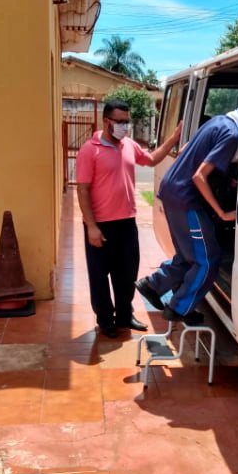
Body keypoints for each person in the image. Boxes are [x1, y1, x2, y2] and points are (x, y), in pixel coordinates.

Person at [135, 95, 238, 325]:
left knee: (190, 257)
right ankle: (179, 308)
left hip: (173, 192)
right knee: (208, 260)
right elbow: (199, 176)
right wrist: (222, 213)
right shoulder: (233, 134)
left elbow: (185, 151)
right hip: (186, 199)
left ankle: (153, 285)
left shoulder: (218, 121)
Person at [76, 99, 181, 338]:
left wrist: (173, 139)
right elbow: (82, 190)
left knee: (127, 273)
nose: (125, 126)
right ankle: (105, 320)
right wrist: (91, 226)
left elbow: (152, 159)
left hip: (127, 223)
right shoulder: (89, 150)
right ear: (106, 121)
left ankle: (124, 315)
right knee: (100, 276)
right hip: (100, 225)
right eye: (120, 122)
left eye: (127, 121)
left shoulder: (129, 145)